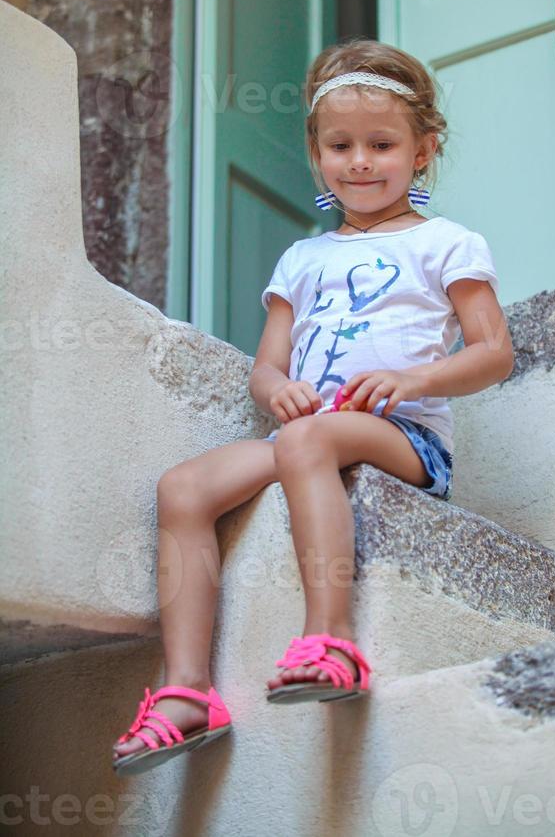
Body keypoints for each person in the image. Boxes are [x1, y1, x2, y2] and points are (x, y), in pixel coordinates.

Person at [112, 38, 514, 776]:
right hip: (312, 431)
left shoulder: (445, 244)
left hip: (404, 438)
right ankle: (187, 691)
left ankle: (331, 642)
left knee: (305, 445)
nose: (360, 160)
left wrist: (412, 380)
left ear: (424, 150)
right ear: (317, 154)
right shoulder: (302, 260)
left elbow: (494, 351)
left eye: (382, 144)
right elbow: (267, 366)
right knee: (184, 487)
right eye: (340, 145)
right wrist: (277, 390)